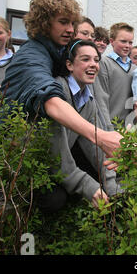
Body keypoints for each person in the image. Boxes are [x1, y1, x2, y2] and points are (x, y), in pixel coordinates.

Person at [1, 0, 122, 160]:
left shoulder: (58, 52)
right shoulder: (30, 57)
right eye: (63, 22)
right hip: (4, 153)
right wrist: (100, 137)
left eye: (73, 23)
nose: (71, 29)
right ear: (44, 23)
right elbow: (50, 99)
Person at [37, 39, 118, 213]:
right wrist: (89, 187)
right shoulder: (58, 93)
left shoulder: (88, 100)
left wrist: (112, 189)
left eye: (96, 60)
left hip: (59, 168)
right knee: (56, 199)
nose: (93, 65)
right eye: (85, 59)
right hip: (38, 170)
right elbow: (56, 157)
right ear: (69, 65)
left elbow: (96, 147)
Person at [94, 22, 136, 128]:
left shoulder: (135, 69)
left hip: (129, 129)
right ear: (112, 41)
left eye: (130, 42)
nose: (127, 46)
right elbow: (101, 98)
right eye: (123, 41)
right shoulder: (103, 63)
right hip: (109, 126)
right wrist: (107, 127)